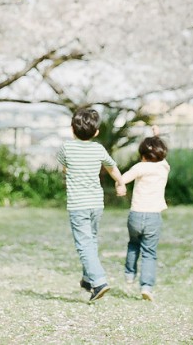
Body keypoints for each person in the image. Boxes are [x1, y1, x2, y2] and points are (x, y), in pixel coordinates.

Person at [56, 107, 126, 302]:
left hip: (78, 205)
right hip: (96, 204)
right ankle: (88, 280)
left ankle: (99, 281)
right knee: (91, 240)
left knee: (84, 244)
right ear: (96, 132)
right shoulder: (98, 149)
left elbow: (64, 168)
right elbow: (112, 167)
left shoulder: (66, 148)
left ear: (72, 129)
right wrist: (120, 183)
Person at [120, 129, 170, 301]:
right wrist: (157, 136)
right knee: (149, 252)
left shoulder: (139, 167)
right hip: (153, 217)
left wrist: (120, 187)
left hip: (135, 215)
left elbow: (122, 179)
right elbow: (161, 154)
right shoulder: (164, 168)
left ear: (142, 155)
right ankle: (146, 286)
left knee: (133, 244)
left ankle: (129, 274)